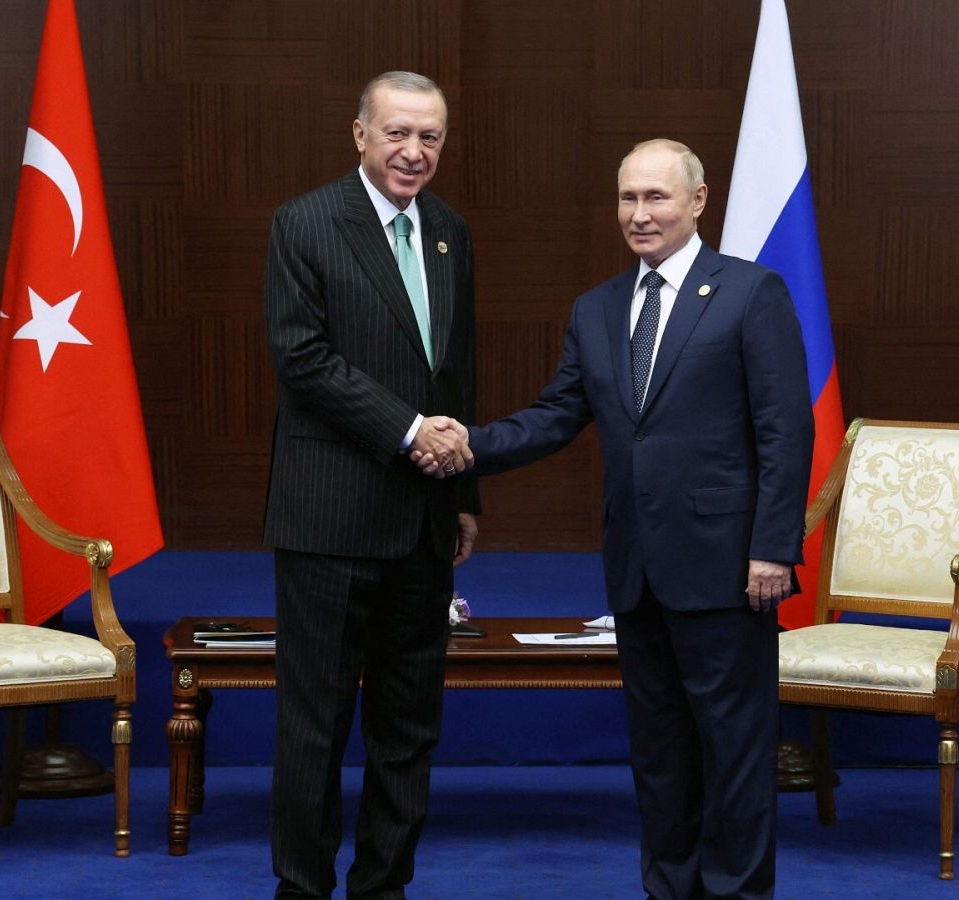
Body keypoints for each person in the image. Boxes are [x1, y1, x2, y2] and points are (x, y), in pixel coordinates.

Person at [418, 139, 812, 899]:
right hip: (636, 568)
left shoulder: (749, 293)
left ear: (698, 202)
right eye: (629, 198)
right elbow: (556, 416)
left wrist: (772, 548)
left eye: (657, 198)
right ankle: (668, 888)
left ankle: (735, 891)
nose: (640, 214)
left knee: (733, 748)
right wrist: (467, 445)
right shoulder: (596, 309)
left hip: (730, 566)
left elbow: (784, 431)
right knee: (660, 752)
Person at [261, 70, 479, 899]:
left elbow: (455, 372)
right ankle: (303, 888)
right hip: (328, 519)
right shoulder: (304, 224)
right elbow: (303, 359)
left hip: (423, 521)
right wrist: (410, 430)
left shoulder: (452, 231)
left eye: (429, 138)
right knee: (314, 727)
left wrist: (463, 493)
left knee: (409, 728)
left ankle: (383, 887)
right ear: (360, 134)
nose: (413, 152)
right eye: (397, 134)